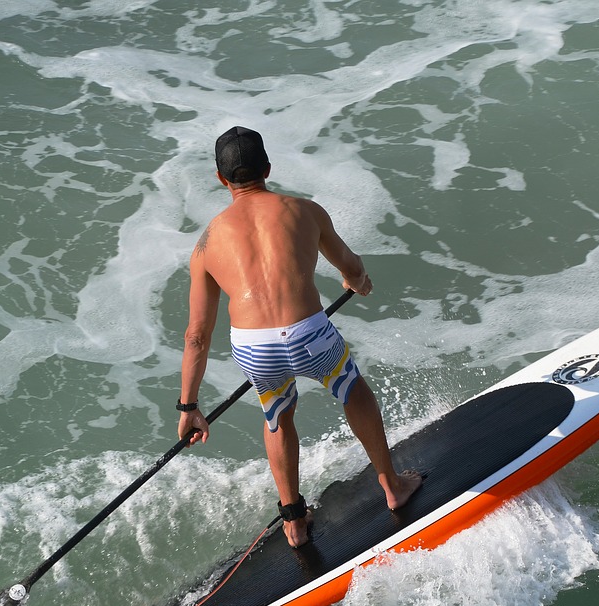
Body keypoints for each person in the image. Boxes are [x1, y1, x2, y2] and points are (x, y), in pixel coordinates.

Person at [177, 126, 422, 548]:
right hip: (310, 334)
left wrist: (189, 405)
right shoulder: (305, 210)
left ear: (221, 179)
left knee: (277, 414)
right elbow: (349, 264)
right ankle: (392, 485)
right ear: (268, 168)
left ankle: (293, 521)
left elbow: (197, 336)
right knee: (352, 389)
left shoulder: (206, 243)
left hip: (254, 348)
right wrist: (357, 280)